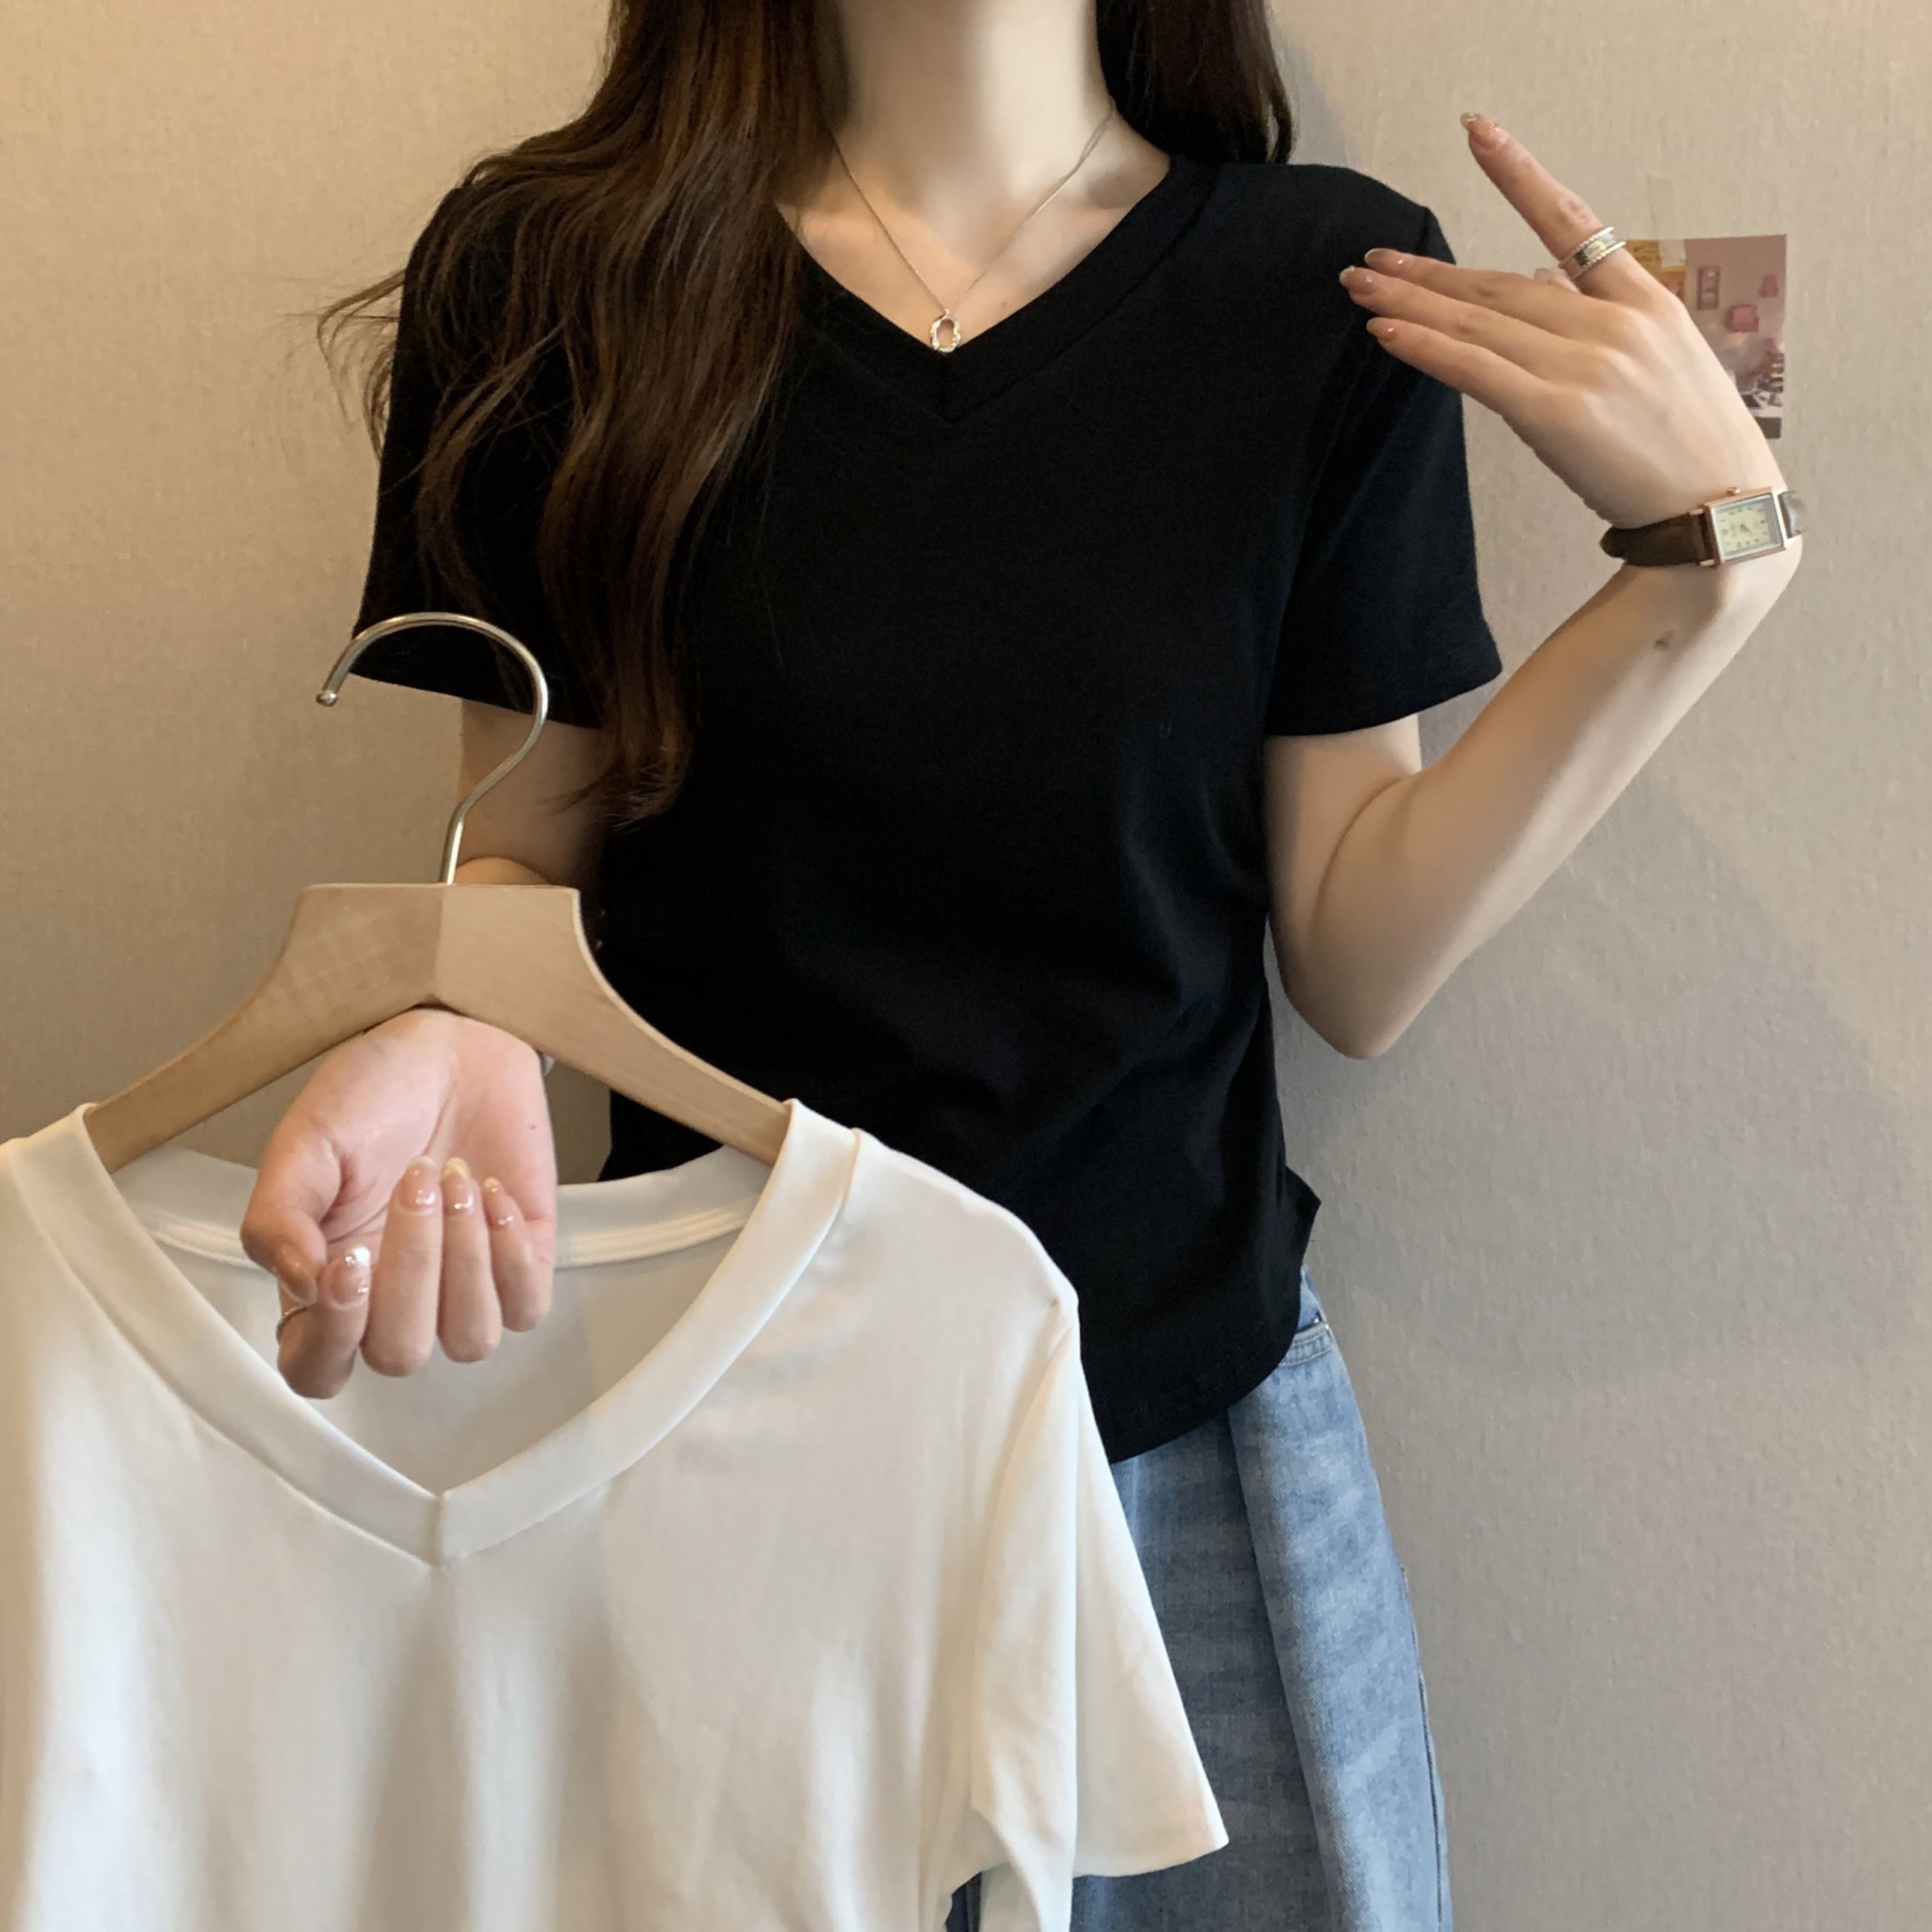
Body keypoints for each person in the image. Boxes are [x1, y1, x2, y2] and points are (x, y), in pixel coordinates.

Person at [245, 1, 1802, 1925]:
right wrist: (445, 1022)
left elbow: (1354, 953)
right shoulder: (560, 276)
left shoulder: (1315, 288)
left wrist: (1705, 567)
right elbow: (529, 841)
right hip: (703, 1423)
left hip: (1171, 1443)